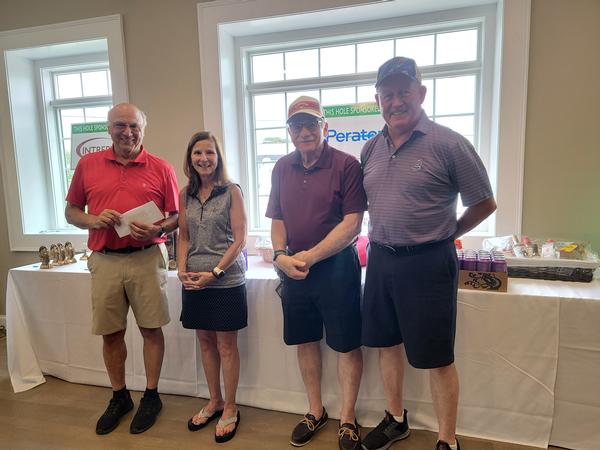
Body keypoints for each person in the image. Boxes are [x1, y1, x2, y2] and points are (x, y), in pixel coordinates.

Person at [360, 57, 497, 450]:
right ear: (378, 100)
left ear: (420, 93)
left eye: (404, 92)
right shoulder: (370, 149)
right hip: (382, 259)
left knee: (436, 355)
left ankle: (447, 439)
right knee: (387, 343)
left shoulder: (449, 143)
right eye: (388, 94)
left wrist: (447, 233)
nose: (396, 101)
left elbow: (484, 203)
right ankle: (395, 419)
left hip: (429, 262)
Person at [65, 103, 179, 435]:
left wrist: (159, 230)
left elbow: (174, 216)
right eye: (120, 126)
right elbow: (72, 211)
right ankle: (119, 396)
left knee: (150, 329)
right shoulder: (88, 164)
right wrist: (92, 219)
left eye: (134, 126)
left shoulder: (161, 167)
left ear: (144, 129)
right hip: (104, 260)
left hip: (147, 257)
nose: (127, 132)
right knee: (110, 332)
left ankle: (152, 396)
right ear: (109, 128)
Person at [266, 96, 367, 450]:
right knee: (306, 340)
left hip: (337, 268)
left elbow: (353, 224)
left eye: (312, 124)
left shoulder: (346, 165)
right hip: (295, 269)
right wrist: (281, 255)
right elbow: (277, 221)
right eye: (297, 125)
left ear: (325, 127)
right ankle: (315, 410)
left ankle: (348, 418)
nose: (305, 131)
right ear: (290, 132)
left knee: (345, 344)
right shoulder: (281, 167)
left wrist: (311, 255)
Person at [177, 131, 247, 443]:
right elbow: (184, 236)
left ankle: (231, 406)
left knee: (225, 346)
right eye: (197, 153)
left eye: (209, 153)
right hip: (193, 280)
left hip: (225, 280)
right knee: (205, 343)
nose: (203, 159)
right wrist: (181, 268)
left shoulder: (231, 191)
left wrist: (216, 272)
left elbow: (240, 237)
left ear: (218, 158)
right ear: (189, 159)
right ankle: (214, 400)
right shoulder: (185, 194)